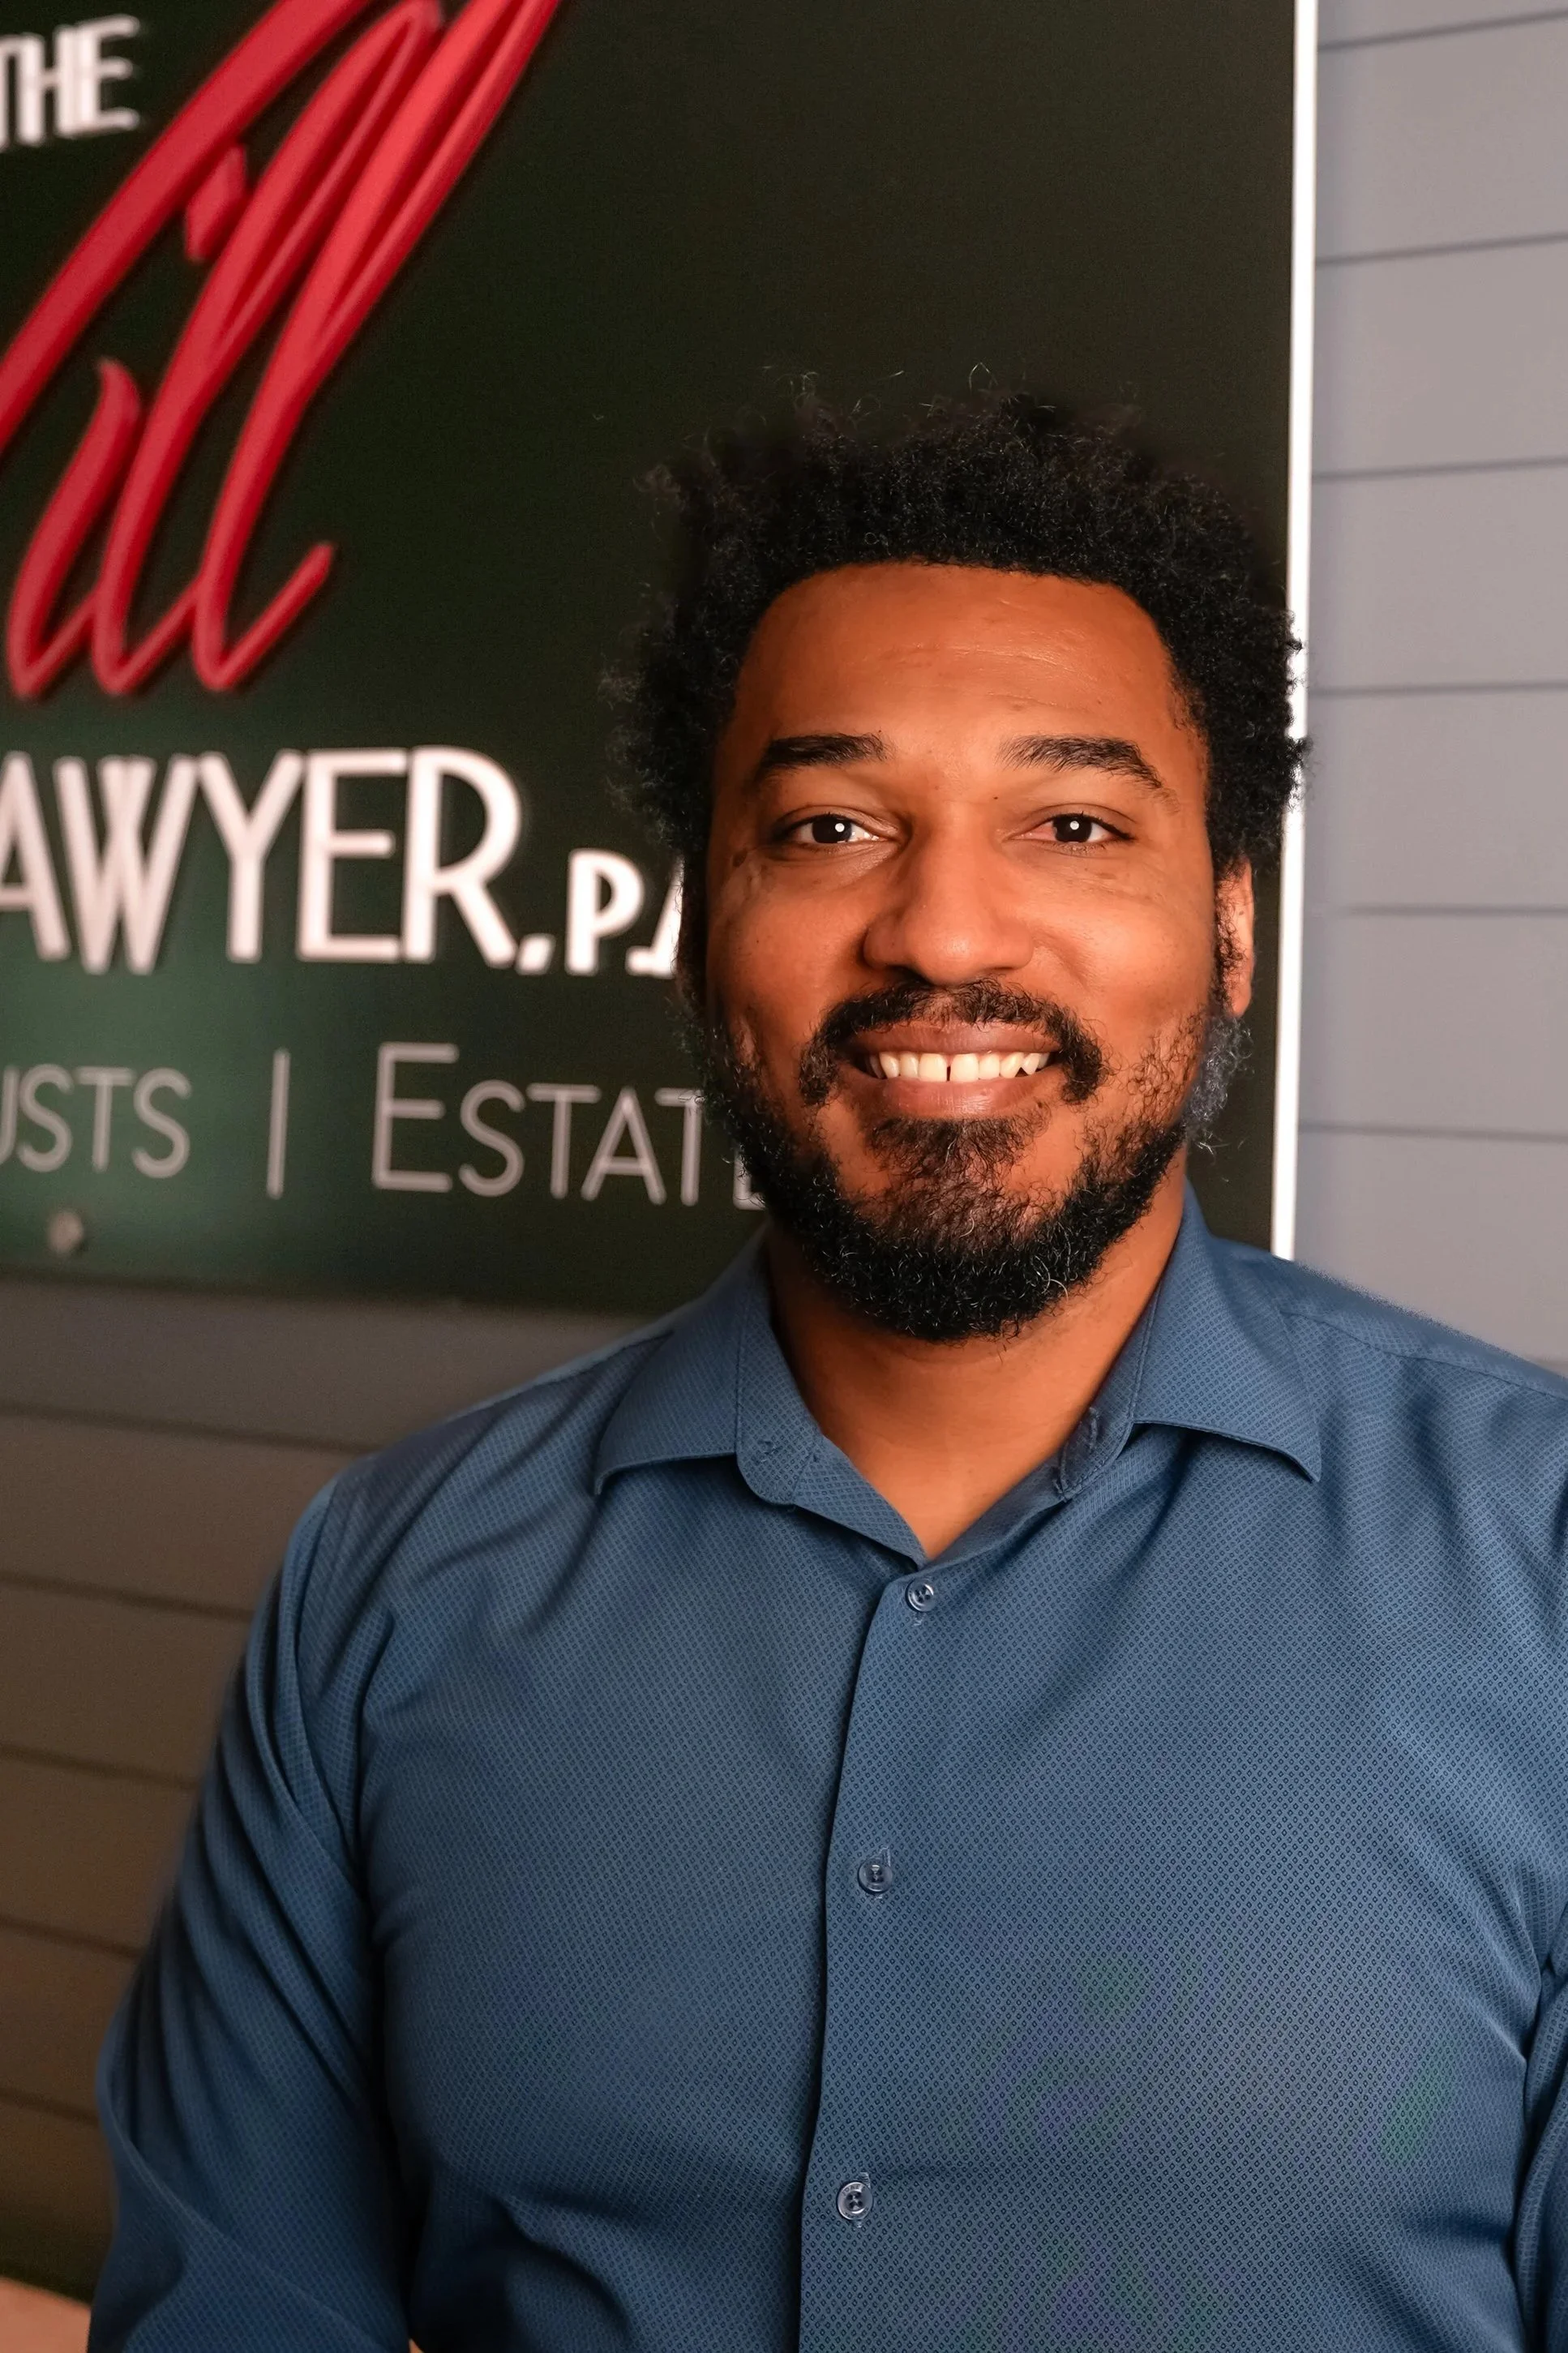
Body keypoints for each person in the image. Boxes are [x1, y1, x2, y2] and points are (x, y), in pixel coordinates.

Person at [92, 398, 1568, 2353]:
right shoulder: (388, 1582)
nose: (944, 927)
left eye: (1072, 823)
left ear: (1226, 926)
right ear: (701, 932)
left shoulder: (1536, 1566)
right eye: (829, 827)